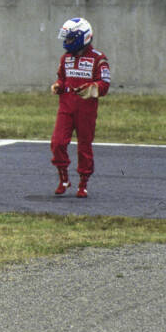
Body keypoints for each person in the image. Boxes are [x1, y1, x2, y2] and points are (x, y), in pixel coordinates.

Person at [50, 17, 110, 198]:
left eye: (69, 38)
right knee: (57, 142)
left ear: (82, 37)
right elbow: (62, 78)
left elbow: (104, 84)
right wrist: (58, 85)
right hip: (66, 106)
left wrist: (92, 89)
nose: (66, 42)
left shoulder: (99, 59)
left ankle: (83, 183)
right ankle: (63, 179)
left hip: (86, 110)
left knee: (84, 146)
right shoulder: (65, 58)